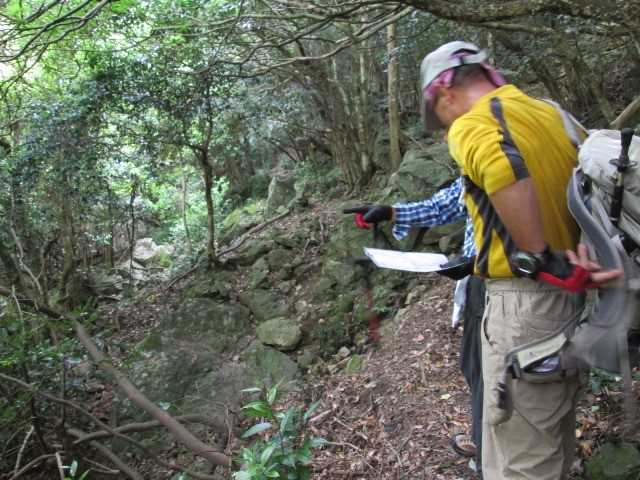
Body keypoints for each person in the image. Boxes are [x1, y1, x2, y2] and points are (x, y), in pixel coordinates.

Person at [418, 41, 622, 479]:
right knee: (546, 440)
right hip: (569, 304)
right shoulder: (550, 114)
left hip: (523, 307)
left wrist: (540, 256)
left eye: (439, 114)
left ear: (444, 93)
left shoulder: (474, 123)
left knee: (523, 461)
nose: (444, 124)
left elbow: (501, 166)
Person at [355, 177, 485, 477]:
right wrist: (390, 212)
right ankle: (484, 438)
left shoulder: (501, 159)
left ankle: (491, 456)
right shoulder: (476, 163)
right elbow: (445, 205)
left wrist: (483, 260)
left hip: (502, 282)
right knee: (475, 365)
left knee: (489, 370)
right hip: (480, 280)